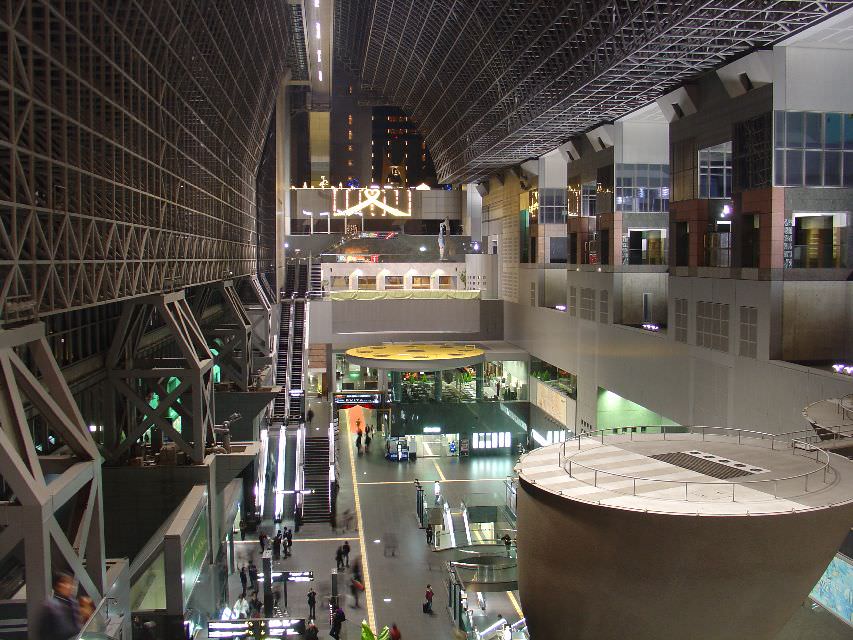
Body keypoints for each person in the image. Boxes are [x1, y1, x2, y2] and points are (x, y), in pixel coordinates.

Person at [36, 573, 81, 640]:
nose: (71, 587)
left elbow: (77, 625)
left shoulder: (73, 603)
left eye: (71, 583)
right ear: (59, 585)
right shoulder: (50, 606)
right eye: (67, 583)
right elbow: (43, 632)